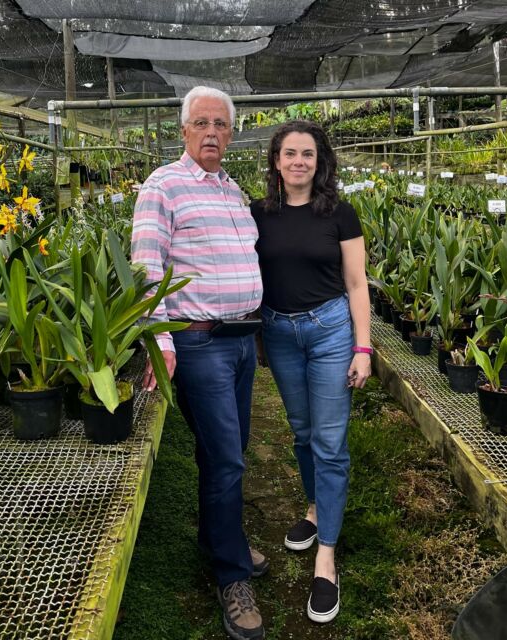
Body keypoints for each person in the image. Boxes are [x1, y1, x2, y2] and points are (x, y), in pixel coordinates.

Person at [131, 86, 266, 640]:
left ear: (231, 134)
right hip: (199, 342)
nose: (212, 132)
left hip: (239, 343)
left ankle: (217, 537)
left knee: (228, 451)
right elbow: (145, 262)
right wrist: (160, 340)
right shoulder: (163, 185)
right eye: (201, 123)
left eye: (221, 124)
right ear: (183, 130)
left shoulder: (234, 190)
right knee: (228, 458)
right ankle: (233, 576)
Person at [250, 120, 371, 624]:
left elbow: (358, 283)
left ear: (320, 162)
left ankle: (326, 555)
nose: (299, 161)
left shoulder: (340, 213)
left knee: (328, 441)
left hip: (329, 331)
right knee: (301, 433)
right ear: (276, 161)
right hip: (279, 332)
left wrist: (362, 347)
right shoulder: (258, 213)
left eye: (308, 154)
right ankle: (317, 507)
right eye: (289, 153)